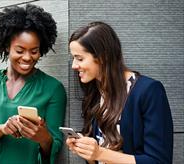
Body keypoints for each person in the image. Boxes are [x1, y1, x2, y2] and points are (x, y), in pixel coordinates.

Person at [0, 4, 67, 164]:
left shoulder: (53, 89)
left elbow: (55, 146)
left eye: (34, 51)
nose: (27, 57)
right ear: (7, 47)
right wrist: (2, 129)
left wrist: (43, 138)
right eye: (20, 50)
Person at [66, 21, 173, 164]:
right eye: (73, 58)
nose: (74, 65)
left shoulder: (149, 91)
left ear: (103, 57)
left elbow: (159, 160)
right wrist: (88, 153)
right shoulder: (95, 93)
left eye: (80, 58)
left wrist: (100, 153)